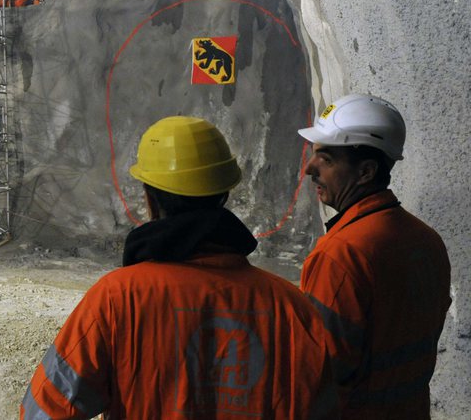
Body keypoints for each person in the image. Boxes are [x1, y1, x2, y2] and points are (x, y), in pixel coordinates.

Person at [21, 116, 339, 419]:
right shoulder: (293, 309)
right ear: (224, 194)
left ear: (149, 198)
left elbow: (45, 411)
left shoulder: (116, 300)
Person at [298, 94, 450, 418]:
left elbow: (317, 378)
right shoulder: (427, 241)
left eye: (325, 159)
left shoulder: (340, 256)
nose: (310, 169)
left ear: (366, 171)